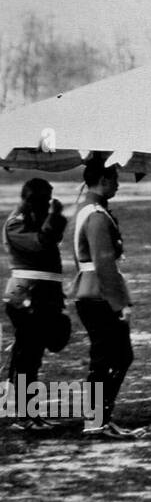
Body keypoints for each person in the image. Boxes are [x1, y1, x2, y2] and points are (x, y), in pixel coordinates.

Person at [71, 159, 143, 438]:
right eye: (114, 179)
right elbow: (104, 263)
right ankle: (97, 420)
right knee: (115, 357)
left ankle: (97, 419)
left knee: (109, 357)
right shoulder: (97, 215)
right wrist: (120, 303)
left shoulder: (86, 209)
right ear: (102, 179)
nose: (118, 184)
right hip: (100, 294)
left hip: (89, 291)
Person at [3, 178, 69, 430]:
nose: (48, 204)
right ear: (32, 199)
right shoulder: (16, 223)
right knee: (27, 355)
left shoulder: (32, 220)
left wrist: (55, 218)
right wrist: (54, 217)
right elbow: (41, 243)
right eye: (45, 199)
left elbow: (50, 238)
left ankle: (29, 414)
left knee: (33, 354)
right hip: (25, 293)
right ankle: (24, 416)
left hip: (41, 293)